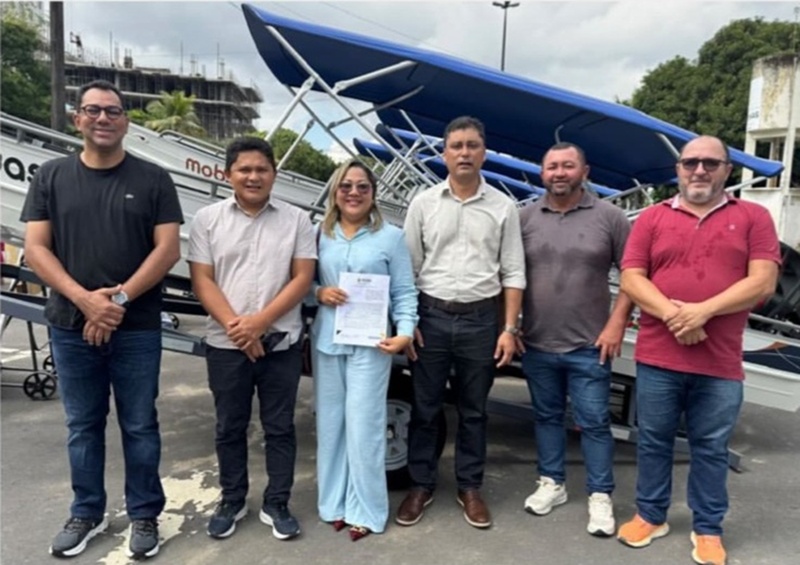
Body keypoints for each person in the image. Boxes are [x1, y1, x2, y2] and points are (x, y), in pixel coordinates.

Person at [21, 79, 183, 559]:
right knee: (82, 424)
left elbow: (167, 250)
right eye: (93, 110)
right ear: (78, 119)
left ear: (126, 121)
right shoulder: (50, 176)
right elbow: (36, 248)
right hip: (70, 326)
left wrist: (119, 301)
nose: (103, 119)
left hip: (137, 327)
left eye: (113, 111)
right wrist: (85, 301)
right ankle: (87, 512)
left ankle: (145, 514)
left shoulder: (154, 179)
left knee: (140, 424)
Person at [617, 135, 781, 565]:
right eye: (690, 162)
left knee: (710, 447)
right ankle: (651, 515)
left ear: (727, 170)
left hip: (720, 361)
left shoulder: (754, 217)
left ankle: (708, 528)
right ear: (678, 170)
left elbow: (763, 282)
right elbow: (632, 279)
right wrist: (678, 318)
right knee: (653, 441)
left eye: (711, 162)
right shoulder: (652, 218)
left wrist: (702, 312)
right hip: (658, 357)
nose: (699, 170)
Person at [397, 116, 526, 529]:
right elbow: (408, 269)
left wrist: (509, 329)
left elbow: (513, 272)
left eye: (472, 145)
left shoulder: (503, 207)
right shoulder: (423, 204)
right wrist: (407, 322)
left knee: (474, 411)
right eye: (456, 146)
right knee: (425, 408)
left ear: (484, 153)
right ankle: (421, 485)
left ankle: (470, 487)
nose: (464, 153)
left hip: (481, 321)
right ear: (444, 153)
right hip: (431, 318)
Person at [187, 137, 315, 542]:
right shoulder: (207, 219)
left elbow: (302, 278)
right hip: (226, 345)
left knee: (280, 427)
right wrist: (240, 329)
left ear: (274, 174)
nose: (253, 176)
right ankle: (232, 500)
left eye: (262, 169)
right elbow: (202, 280)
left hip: (280, 344)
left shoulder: (297, 220)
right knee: (229, 426)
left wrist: (260, 323)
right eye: (244, 169)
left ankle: (277, 502)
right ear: (228, 174)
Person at [517, 142, 633, 537]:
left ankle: (600, 495)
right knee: (547, 417)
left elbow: (634, 275)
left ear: (585, 171)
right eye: (552, 166)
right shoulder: (524, 218)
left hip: (590, 344)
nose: (559, 173)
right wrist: (511, 326)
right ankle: (552, 482)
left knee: (594, 423)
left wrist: (617, 323)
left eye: (568, 166)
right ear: (542, 172)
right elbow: (509, 276)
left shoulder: (610, 218)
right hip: (536, 341)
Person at [310, 160, 418, 541]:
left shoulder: (391, 237)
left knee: (364, 427)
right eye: (346, 186)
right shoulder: (319, 235)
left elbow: (404, 291)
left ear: (373, 194)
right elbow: (301, 283)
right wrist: (319, 292)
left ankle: (366, 510)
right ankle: (335, 504)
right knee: (331, 426)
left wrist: (405, 332)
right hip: (329, 341)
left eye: (362, 186)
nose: (353, 193)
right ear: (335, 192)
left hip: (372, 346)